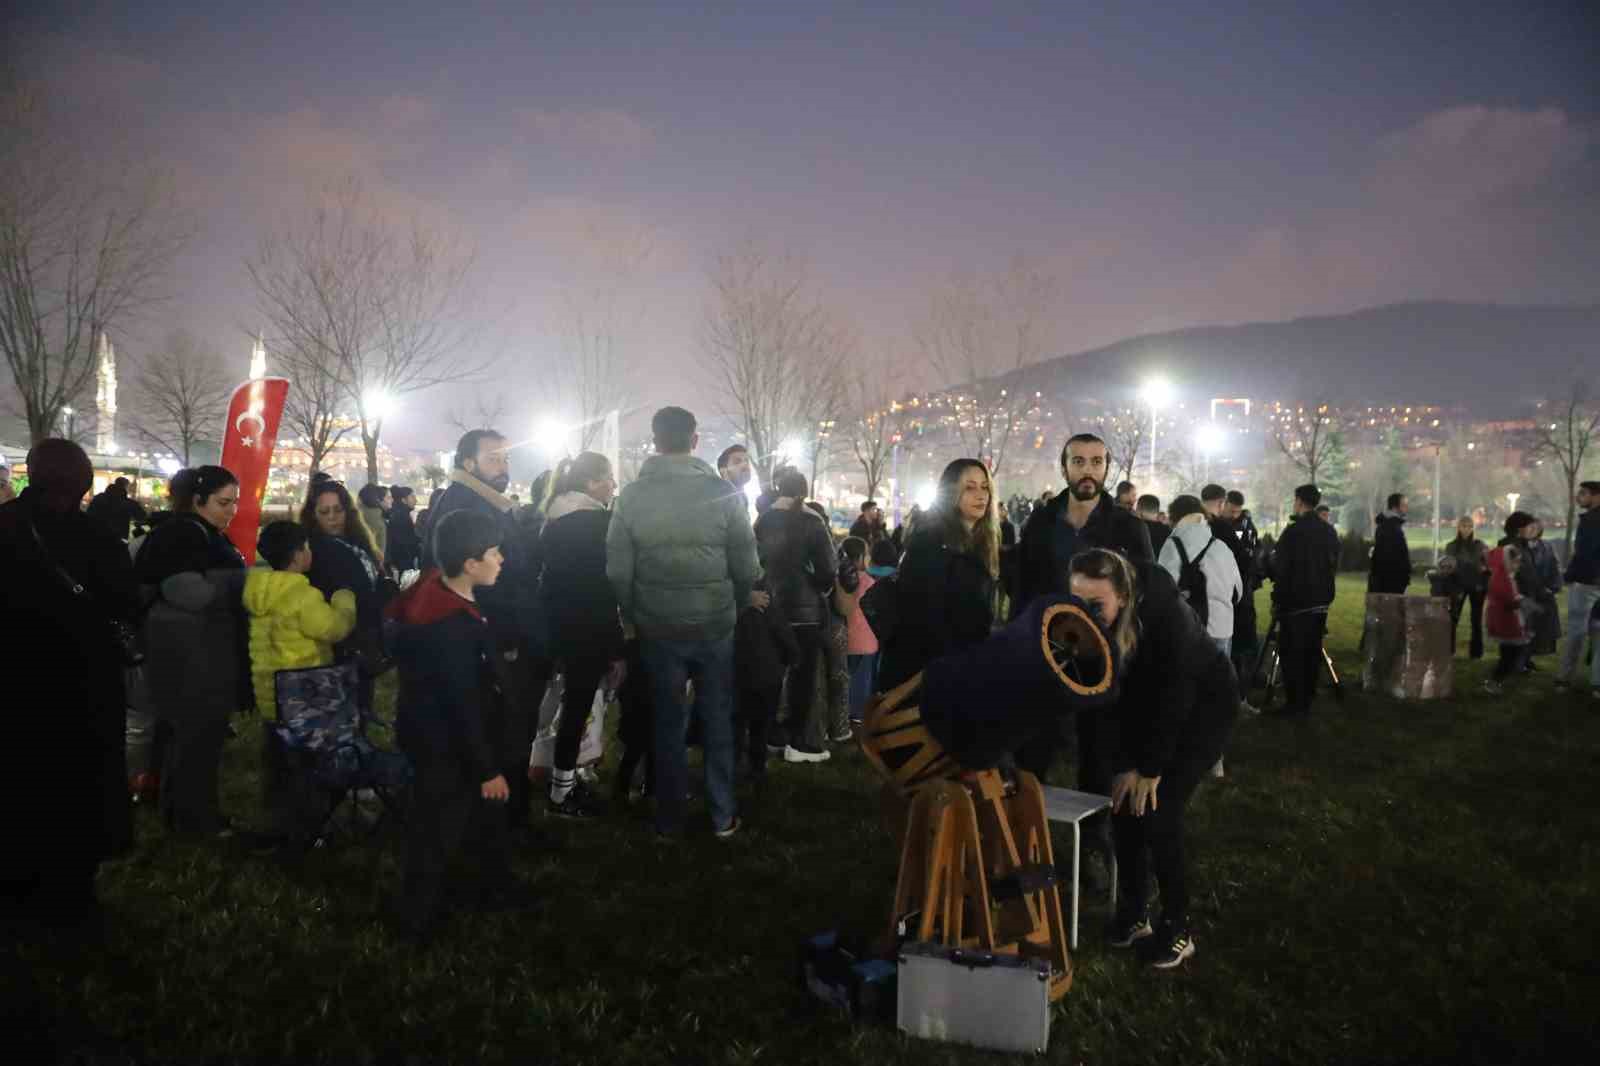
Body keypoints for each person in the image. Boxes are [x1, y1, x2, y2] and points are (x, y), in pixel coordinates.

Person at [1067, 549, 1236, 970]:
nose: (1085, 614)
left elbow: (1175, 698)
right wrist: (1124, 763)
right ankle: (1134, 911)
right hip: (1144, 711)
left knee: (1159, 810)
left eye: (1095, 605)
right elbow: (1107, 701)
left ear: (1123, 596)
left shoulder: (1168, 618)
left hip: (1203, 708)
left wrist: (1151, 769)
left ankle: (1178, 927)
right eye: (1077, 602)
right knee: (1124, 804)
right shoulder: (1094, 624)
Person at [0, 438, 137, 929]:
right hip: (84, 687)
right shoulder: (98, 539)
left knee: (18, 784)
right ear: (83, 482)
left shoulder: (6, 528)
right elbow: (124, 605)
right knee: (79, 786)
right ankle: (71, 895)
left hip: (14, 689)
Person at [606, 407, 760, 839]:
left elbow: (618, 572)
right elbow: (747, 566)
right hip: (715, 624)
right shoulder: (723, 493)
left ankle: (669, 818)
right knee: (718, 718)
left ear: (656, 441)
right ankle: (722, 814)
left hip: (658, 628)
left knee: (667, 724)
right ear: (695, 441)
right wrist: (734, 602)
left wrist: (634, 614)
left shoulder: (632, 497)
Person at [389, 510, 534, 942]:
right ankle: (415, 920)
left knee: (481, 822)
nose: (502, 559)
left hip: (453, 743)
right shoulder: (449, 626)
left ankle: (490, 886)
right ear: (470, 564)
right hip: (447, 749)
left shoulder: (442, 598)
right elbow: (461, 704)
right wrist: (486, 768)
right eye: (494, 552)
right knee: (436, 832)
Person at [426, 429, 547, 833]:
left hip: (499, 634)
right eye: (493, 458)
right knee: (501, 731)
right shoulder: (466, 506)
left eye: (505, 457)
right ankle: (501, 822)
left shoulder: (486, 503)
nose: (503, 465)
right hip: (493, 639)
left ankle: (504, 819)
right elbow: (474, 579)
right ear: (468, 464)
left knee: (505, 730)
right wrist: (505, 638)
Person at [134, 465, 250, 837]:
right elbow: (187, 591)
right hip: (192, 655)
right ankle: (195, 819)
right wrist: (242, 591)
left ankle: (179, 809)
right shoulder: (185, 535)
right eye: (223, 502)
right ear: (197, 500)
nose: (231, 510)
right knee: (197, 740)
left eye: (234, 502)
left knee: (186, 738)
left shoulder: (194, 532)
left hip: (195, 651)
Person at [242, 521, 358, 837]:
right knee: (306, 765)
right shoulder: (302, 595)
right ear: (297, 554)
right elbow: (333, 628)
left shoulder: (257, 590)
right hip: (303, 697)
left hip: (269, 693)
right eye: (306, 547)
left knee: (276, 759)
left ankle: (275, 816)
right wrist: (345, 601)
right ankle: (307, 825)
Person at [538, 452, 626, 818]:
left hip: (553, 624)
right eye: (608, 478)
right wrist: (616, 645)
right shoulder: (598, 523)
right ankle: (562, 790)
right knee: (578, 707)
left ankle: (552, 775)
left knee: (554, 704)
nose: (613, 485)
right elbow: (603, 589)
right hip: (588, 628)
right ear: (591, 483)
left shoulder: (551, 517)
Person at [876, 459, 997, 695]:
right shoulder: (930, 541)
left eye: (985, 487)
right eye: (970, 487)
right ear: (951, 492)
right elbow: (923, 618)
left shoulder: (976, 545)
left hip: (956, 673)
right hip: (927, 680)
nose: (981, 495)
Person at [1016, 433, 1153, 618]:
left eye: (1096, 462)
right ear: (1064, 469)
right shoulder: (1041, 521)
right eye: (1078, 462)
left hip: (1107, 637)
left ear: (1106, 469)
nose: (1088, 471)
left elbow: (1143, 590)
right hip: (1045, 636)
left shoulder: (1129, 527)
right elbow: (1022, 586)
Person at [754, 469, 838, 762]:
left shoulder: (764, 520)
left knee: (771, 677)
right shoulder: (813, 522)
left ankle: (769, 736)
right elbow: (828, 569)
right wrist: (820, 589)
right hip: (806, 613)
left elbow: (754, 562)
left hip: (770, 609)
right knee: (803, 679)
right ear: (805, 490)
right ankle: (800, 742)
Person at [300, 481, 386, 690]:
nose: (332, 517)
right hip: (341, 642)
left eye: (338, 510)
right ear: (313, 515)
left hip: (366, 635)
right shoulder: (312, 551)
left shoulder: (356, 540)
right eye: (324, 511)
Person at [1269, 484, 1341, 716]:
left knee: (1292, 653)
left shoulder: (1293, 532)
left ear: (1299, 501)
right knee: (1312, 651)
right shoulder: (1328, 530)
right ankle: (1308, 696)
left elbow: (1282, 568)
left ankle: (1294, 703)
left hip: (1296, 603)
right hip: (1320, 601)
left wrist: (1277, 599)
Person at [1159, 495, 1244, 659]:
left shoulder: (1173, 545)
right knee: (1219, 682)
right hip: (1223, 629)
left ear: (1175, 517)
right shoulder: (1221, 546)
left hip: (1188, 630)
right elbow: (1237, 592)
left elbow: (1162, 590)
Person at [733, 576, 799, 787]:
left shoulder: (734, 612)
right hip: (768, 678)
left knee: (737, 723)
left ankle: (732, 764)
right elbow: (786, 638)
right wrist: (792, 658)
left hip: (739, 676)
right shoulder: (773, 612)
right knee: (760, 728)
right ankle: (757, 769)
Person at [1557, 481, 1600, 697]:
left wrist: (1569, 576)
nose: (1578, 497)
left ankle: (1564, 679)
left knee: (1576, 631)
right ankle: (1597, 683)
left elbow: (1584, 553)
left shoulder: (1591, 521)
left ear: (1596, 496)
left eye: (1583, 494)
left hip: (1586, 583)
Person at [1483, 533, 1531, 696]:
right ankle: (1495, 680)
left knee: (1510, 652)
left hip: (1507, 620)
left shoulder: (1505, 576)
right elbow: (1507, 598)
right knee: (1510, 654)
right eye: (1515, 562)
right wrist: (1521, 602)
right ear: (1507, 561)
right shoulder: (1501, 578)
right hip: (1506, 621)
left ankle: (1498, 678)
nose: (1517, 565)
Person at [838, 536, 879, 724]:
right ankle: (859, 714)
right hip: (867, 642)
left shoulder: (838, 579)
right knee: (863, 681)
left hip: (845, 640)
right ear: (861, 557)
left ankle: (843, 714)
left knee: (846, 680)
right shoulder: (869, 582)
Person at [1443, 516, 1489, 659]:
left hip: (1477, 586)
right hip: (1458, 585)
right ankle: (1448, 650)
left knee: (1476, 620)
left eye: (1469, 526)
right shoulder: (1452, 546)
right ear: (1458, 527)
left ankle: (1476, 653)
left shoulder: (1479, 545)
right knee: (1452, 619)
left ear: (1473, 528)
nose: (1467, 529)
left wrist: (1483, 571)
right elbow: (1447, 566)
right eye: (1464, 526)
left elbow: (1488, 564)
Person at [1369, 493, 1411, 595]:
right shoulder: (1391, 526)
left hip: (1385, 580)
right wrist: (1404, 577)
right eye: (1404, 505)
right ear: (1395, 507)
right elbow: (1396, 555)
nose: (1406, 508)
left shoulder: (1388, 525)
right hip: (1391, 582)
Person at [85, 477, 148, 541]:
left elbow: (88, 515)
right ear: (125, 487)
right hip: (117, 540)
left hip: (95, 537)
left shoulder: (98, 498)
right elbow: (142, 516)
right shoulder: (128, 503)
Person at [386, 486, 421, 573]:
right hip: (402, 564)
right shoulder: (401, 517)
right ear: (403, 500)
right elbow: (406, 543)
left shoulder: (399, 513)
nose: (416, 500)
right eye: (412, 497)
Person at [356, 483, 391, 567]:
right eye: (388, 497)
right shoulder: (378, 520)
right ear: (378, 499)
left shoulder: (355, 517)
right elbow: (380, 551)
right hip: (372, 567)